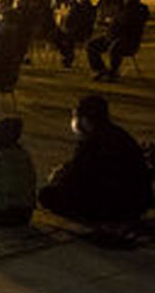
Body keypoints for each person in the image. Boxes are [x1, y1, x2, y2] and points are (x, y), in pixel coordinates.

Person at [39, 95, 152, 224]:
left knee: (47, 195)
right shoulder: (118, 134)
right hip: (139, 202)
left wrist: (60, 178)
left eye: (76, 117)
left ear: (85, 120)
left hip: (116, 205)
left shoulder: (92, 142)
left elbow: (78, 177)